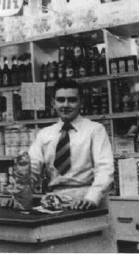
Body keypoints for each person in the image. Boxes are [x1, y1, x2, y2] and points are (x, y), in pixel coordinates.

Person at [28, 79, 114, 210]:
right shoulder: (44, 134)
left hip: (86, 199)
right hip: (53, 200)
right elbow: (31, 168)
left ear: (82, 102)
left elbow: (105, 169)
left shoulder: (95, 130)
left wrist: (91, 198)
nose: (65, 105)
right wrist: (19, 195)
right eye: (61, 100)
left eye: (72, 100)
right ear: (53, 103)